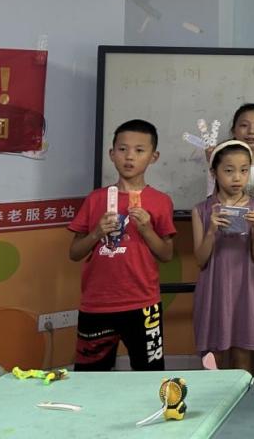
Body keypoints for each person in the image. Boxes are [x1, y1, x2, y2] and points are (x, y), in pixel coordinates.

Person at [68, 119, 174, 371]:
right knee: (91, 376)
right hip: (97, 303)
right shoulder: (96, 199)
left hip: (143, 302)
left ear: (154, 157)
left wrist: (146, 229)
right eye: (123, 149)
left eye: (139, 150)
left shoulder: (160, 201)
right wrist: (97, 232)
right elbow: (74, 252)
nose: (130, 157)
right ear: (111, 154)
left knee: (149, 374)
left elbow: (166, 254)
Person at [191, 140, 254, 373]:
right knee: (213, 359)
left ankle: (243, 397)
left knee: (242, 357)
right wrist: (211, 231)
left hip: (245, 287)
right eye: (229, 170)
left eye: (244, 170)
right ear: (214, 173)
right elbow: (200, 260)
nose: (237, 178)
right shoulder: (202, 210)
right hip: (213, 288)